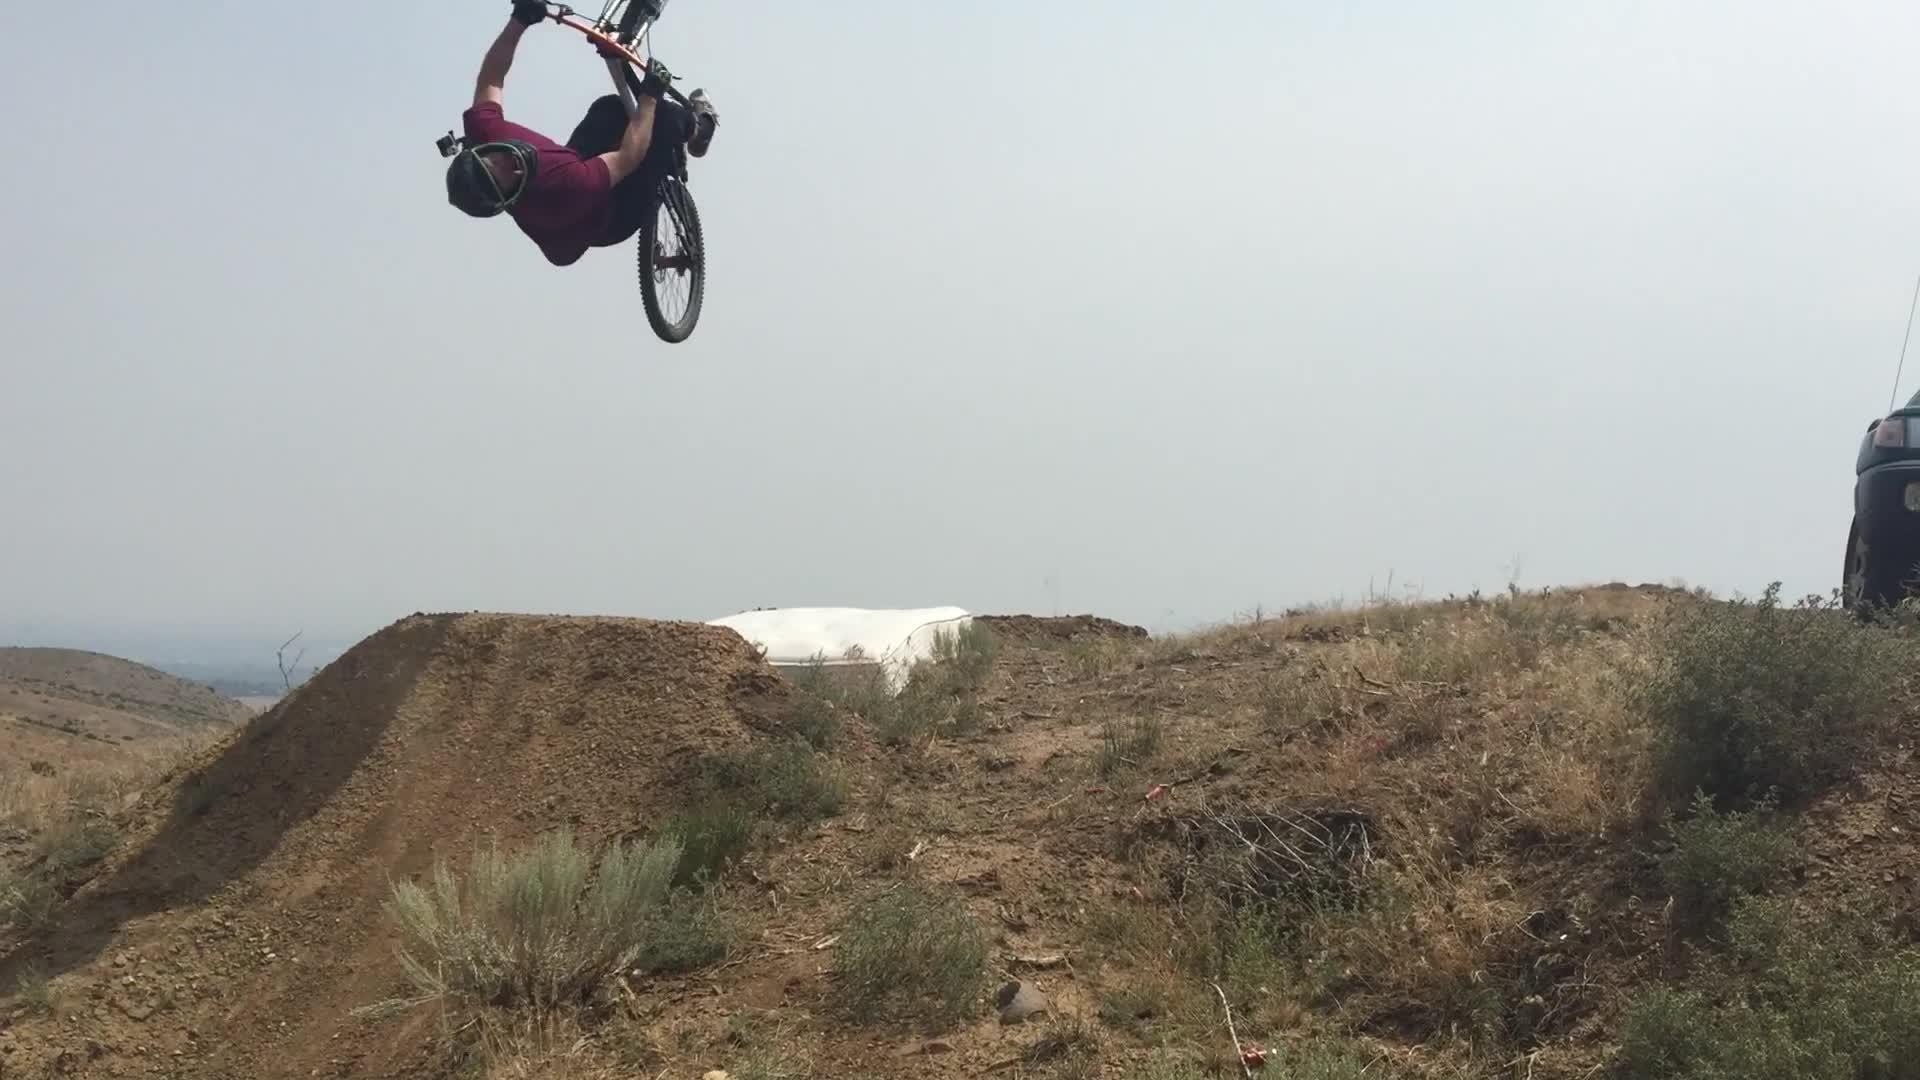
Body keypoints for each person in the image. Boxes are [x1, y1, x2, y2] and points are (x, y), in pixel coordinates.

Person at [444, 0, 718, 267]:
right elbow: (628, 157)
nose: (510, 166)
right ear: (508, 199)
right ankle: (700, 129)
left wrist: (519, 21)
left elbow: (492, 78)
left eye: (495, 161)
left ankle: (654, 111)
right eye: (506, 180)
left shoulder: (486, 131)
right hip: (612, 216)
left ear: (481, 149)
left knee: (609, 108)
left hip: (571, 166)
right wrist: (649, 97)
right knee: (667, 120)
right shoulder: (568, 188)